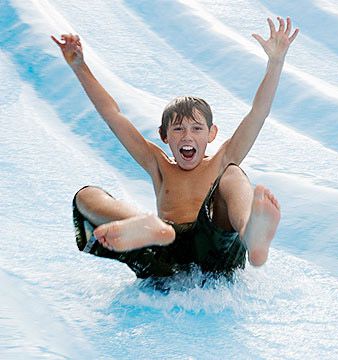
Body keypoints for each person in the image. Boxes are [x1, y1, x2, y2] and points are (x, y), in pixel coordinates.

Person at [52, 17, 298, 279]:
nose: (186, 136)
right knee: (85, 196)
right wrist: (80, 66)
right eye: (178, 129)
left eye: (196, 129)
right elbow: (113, 114)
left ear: (212, 134)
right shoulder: (157, 164)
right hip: (164, 248)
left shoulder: (222, 159)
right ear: (164, 136)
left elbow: (258, 113)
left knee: (233, 174)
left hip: (214, 249)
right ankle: (142, 225)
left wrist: (276, 62)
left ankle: (252, 235)